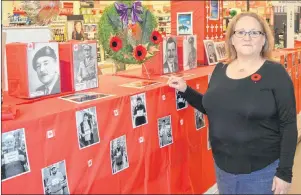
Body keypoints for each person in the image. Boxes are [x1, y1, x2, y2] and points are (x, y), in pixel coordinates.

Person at [167, 12, 297, 194]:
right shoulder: (220, 69)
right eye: (241, 32)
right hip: (223, 170)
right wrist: (185, 90)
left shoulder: (276, 74)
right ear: (232, 39)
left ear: (263, 40)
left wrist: (284, 173)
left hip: (262, 173)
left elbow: (289, 125)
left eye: (254, 33)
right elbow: (212, 108)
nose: (247, 37)